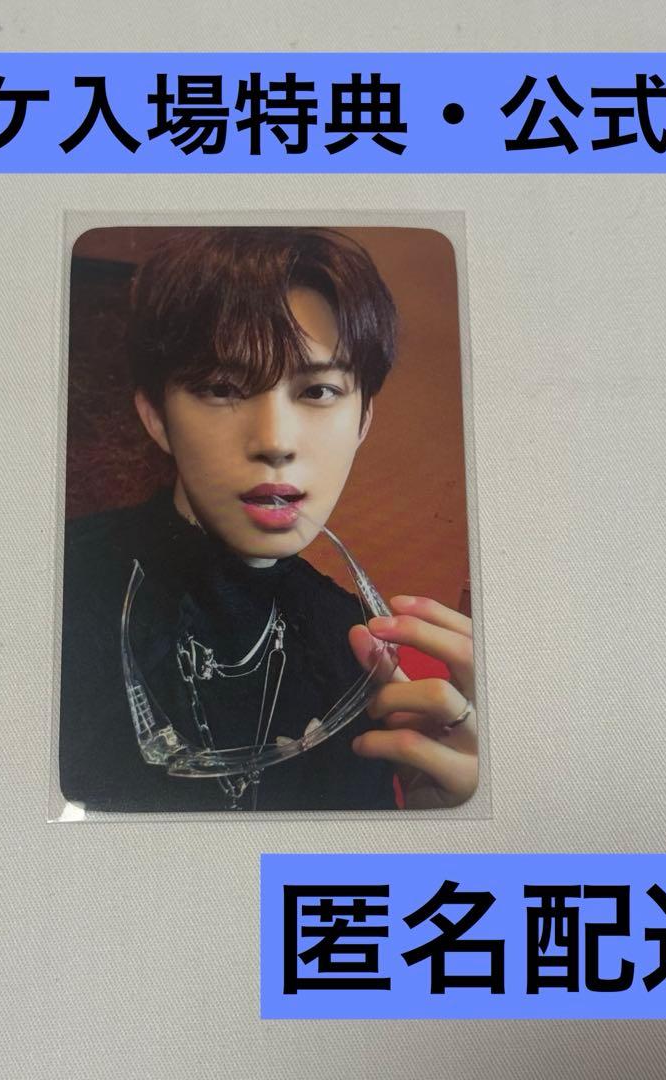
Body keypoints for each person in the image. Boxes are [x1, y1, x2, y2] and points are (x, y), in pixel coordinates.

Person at [58, 227, 477, 812]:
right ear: (156, 417)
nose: (275, 441)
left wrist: (431, 823)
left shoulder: (354, 644)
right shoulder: (51, 591)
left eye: (319, 391)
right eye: (222, 387)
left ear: (363, 420)